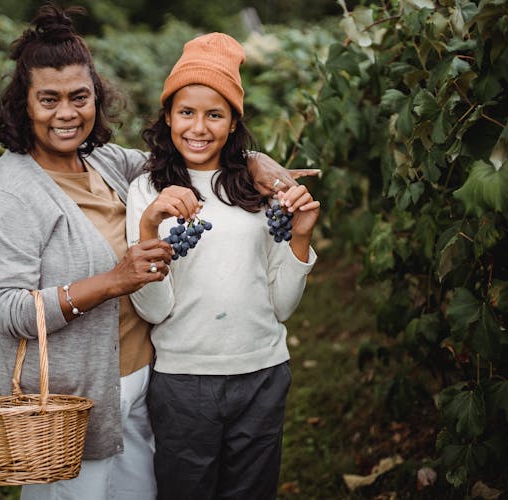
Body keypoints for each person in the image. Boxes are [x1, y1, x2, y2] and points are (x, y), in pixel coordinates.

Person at [0, 5, 315, 499]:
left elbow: (191, 154)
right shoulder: (10, 194)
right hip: (73, 400)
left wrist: (252, 159)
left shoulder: (106, 163)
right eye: (48, 99)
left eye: (79, 97)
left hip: (139, 382)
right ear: (22, 105)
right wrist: (113, 281)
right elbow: (5, 309)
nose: (66, 113)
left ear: (96, 100)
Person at [126, 32, 321, 499]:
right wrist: (150, 229)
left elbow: (282, 306)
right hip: (183, 379)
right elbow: (154, 310)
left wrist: (301, 236)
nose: (199, 127)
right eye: (186, 112)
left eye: (215, 114)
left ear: (233, 122)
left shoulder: (261, 191)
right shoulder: (148, 191)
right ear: (168, 116)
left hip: (263, 371)